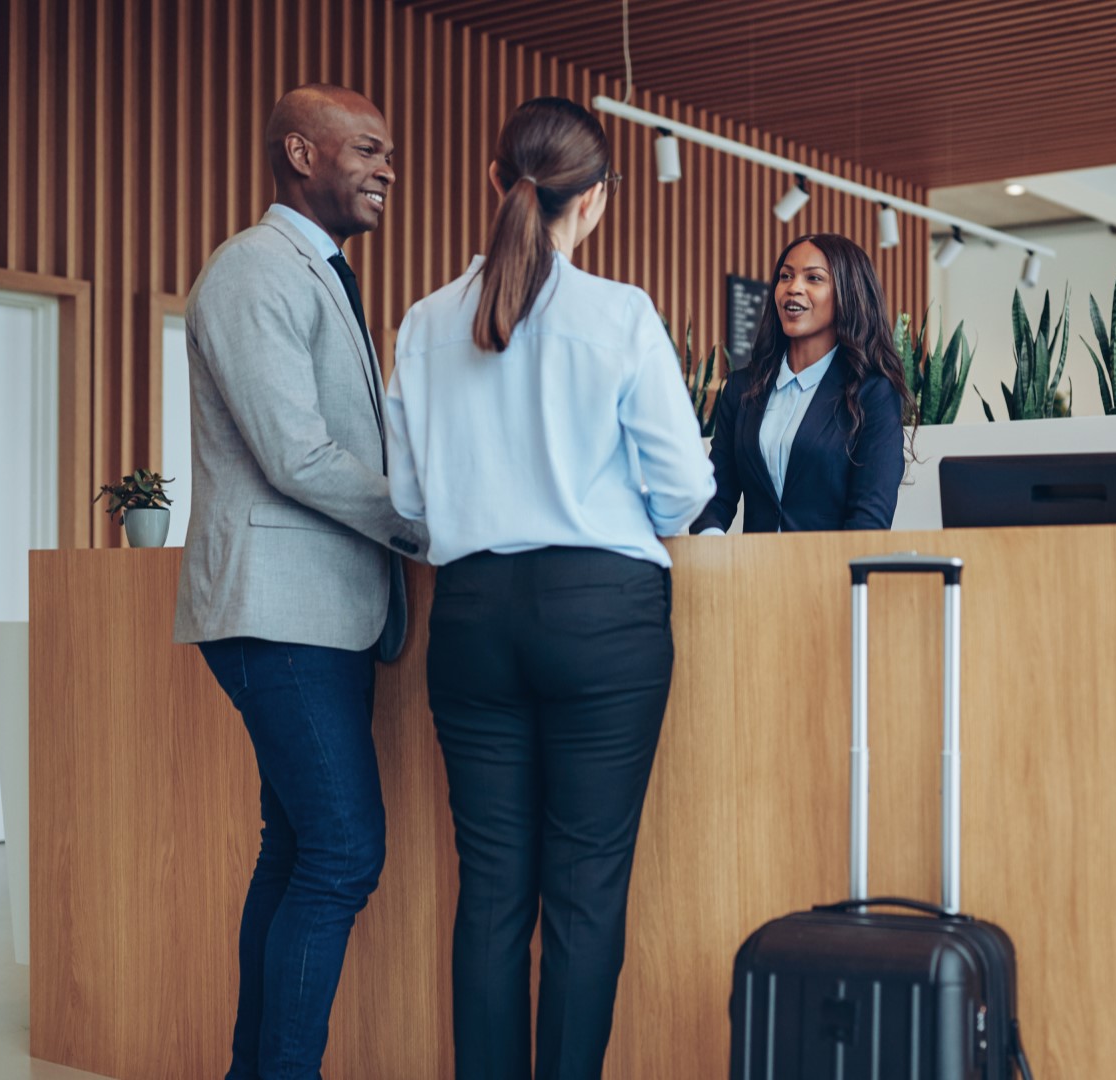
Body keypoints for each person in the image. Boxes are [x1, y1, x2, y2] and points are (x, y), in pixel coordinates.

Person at [384, 96, 713, 1080]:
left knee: (490, 890)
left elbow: (407, 500)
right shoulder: (618, 314)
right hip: (602, 620)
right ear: (598, 201)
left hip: (473, 618)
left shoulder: (424, 321)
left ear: (498, 183)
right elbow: (686, 490)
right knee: (584, 892)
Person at [174, 84, 426, 1080]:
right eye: (366, 148)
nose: (387, 169)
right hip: (279, 615)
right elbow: (296, 455)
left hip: (325, 616)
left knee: (295, 852)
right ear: (299, 153)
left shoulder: (321, 271)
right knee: (341, 856)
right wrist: (429, 523)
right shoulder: (254, 271)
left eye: (388, 153)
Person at [689, 233, 911, 534]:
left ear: (848, 292)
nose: (794, 288)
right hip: (749, 574)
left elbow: (870, 517)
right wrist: (713, 546)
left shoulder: (873, 393)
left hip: (828, 574)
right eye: (786, 276)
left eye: (814, 278)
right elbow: (715, 496)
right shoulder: (742, 388)